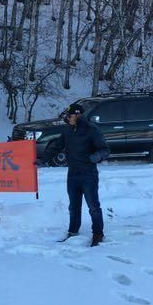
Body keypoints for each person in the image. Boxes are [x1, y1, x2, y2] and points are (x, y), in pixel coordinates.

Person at [45, 103, 110, 246]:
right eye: (66, 116)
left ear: (78, 115)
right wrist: (42, 159)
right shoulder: (68, 131)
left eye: (70, 115)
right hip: (73, 174)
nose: (67, 118)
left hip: (88, 175)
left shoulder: (92, 130)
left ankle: (98, 234)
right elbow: (56, 146)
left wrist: (96, 157)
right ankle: (73, 231)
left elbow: (105, 150)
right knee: (73, 206)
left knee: (93, 206)